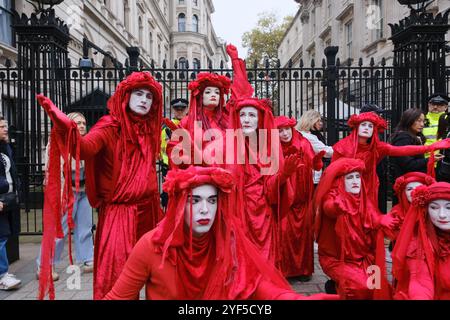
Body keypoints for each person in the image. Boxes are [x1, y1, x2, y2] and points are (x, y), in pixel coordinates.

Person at [104, 166, 338, 300]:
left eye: (212, 200)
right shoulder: (151, 245)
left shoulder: (228, 239)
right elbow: (118, 297)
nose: (205, 209)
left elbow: (256, 286)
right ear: (178, 206)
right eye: (194, 200)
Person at [36, 71, 163, 300]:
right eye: (139, 94)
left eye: (149, 96)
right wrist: (65, 125)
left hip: (150, 210)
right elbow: (85, 148)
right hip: (120, 214)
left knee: (160, 275)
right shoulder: (109, 125)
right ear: (126, 96)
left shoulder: (148, 129)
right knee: (117, 279)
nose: (144, 100)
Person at [226, 44, 301, 264]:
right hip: (237, 214)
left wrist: (283, 175)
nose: (247, 119)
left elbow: (270, 191)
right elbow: (240, 90)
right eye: (243, 115)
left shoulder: (267, 148)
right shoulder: (229, 147)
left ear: (260, 120)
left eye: (252, 115)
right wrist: (236, 62)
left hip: (261, 214)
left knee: (263, 263)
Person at [314, 158, 398, 299]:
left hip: (363, 258)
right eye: (350, 177)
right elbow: (328, 208)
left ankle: (336, 285)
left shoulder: (363, 199)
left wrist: (383, 220)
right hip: (336, 259)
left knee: (378, 286)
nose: (355, 181)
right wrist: (336, 207)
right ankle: (334, 286)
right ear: (340, 181)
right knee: (361, 288)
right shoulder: (333, 196)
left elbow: (373, 217)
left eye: (358, 177)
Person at [332, 111, 450, 206]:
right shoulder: (342, 147)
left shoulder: (379, 147)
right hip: (346, 187)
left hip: (368, 186)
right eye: (363, 124)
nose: (367, 128)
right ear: (356, 127)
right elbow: (333, 173)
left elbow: (403, 150)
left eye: (370, 126)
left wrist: (430, 147)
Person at [36, 112, 94, 281]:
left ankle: (87, 259)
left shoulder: (87, 141)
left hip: (84, 191)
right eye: (78, 123)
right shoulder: (58, 141)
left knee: (85, 227)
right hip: (65, 191)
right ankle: (44, 265)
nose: (82, 126)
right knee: (58, 231)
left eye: (84, 123)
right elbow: (55, 170)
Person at [275, 115, 323, 281]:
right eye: (280, 131)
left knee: (303, 233)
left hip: (302, 198)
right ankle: (286, 271)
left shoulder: (303, 143)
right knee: (284, 233)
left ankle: (303, 270)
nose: (284, 134)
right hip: (284, 199)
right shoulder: (273, 148)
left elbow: (314, 163)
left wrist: (317, 162)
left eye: (287, 129)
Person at [392, 182, 450, 300]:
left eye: (449, 207)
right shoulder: (418, 242)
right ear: (426, 210)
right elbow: (420, 281)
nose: (442, 215)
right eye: (434, 207)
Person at [389, 108, 443, 191]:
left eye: (423, 121)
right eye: (418, 121)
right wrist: (430, 159)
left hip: (413, 182)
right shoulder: (403, 138)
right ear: (409, 120)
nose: (422, 124)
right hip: (407, 185)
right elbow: (408, 165)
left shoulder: (414, 137)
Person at [0, 116, 21, 291]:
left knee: (5, 234)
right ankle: (2, 275)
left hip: (7, 200)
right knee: (1, 236)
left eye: (5, 125)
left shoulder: (5, 148)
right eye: (1, 126)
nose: (5, 129)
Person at [160, 98, 188, 208]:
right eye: (177, 109)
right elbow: (161, 144)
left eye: (182, 109)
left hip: (185, 166)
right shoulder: (166, 126)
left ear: (187, 109)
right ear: (173, 109)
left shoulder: (190, 124)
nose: (180, 111)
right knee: (169, 195)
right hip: (168, 166)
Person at [298, 110, 333, 185]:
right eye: (318, 121)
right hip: (312, 174)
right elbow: (325, 151)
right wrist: (342, 149)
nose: (321, 123)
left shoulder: (303, 133)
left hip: (307, 173)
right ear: (311, 121)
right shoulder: (308, 136)